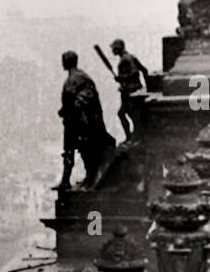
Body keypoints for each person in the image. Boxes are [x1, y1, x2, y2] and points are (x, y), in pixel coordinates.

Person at [55, 50, 114, 191]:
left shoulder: (78, 77)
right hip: (73, 120)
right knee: (71, 150)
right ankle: (66, 180)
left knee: (83, 150)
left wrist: (68, 110)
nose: (62, 63)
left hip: (80, 122)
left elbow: (82, 99)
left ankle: (89, 178)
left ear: (68, 62)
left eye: (64, 60)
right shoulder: (77, 77)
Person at [109, 38, 150, 142]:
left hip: (130, 92)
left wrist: (122, 78)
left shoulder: (125, 59)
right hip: (132, 91)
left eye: (114, 48)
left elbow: (135, 72)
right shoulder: (130, 57)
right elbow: (144, 70)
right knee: (130, 114)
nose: (112, 50)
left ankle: (131, 137)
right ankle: (134, 135)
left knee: (125, 114)